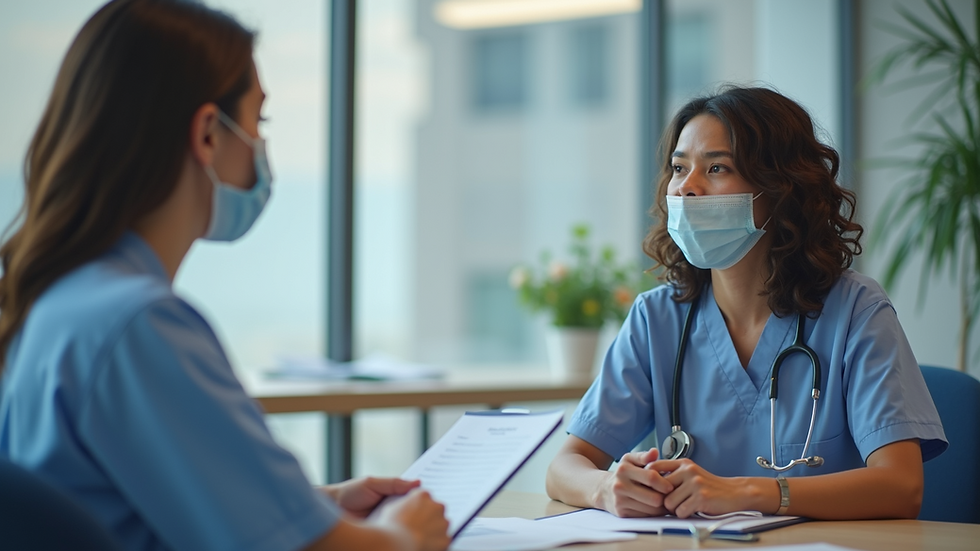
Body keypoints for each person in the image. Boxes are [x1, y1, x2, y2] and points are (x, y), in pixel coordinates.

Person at [0, 1, 450, 550]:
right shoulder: (140, 325)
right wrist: (405, 535)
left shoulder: (61, 303)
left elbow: (123, 501)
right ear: (209, 134)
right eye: (258, 121)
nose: (261, 147)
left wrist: (317, 504)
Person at [545, 86, 948, 521]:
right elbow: (563, 467)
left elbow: (900, 486)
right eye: (679, 168)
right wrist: (607, 487)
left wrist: (748, 492)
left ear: (779, 188)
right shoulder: (656, 318)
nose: (687, 189)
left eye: (717, 167)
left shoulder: (855, 312)